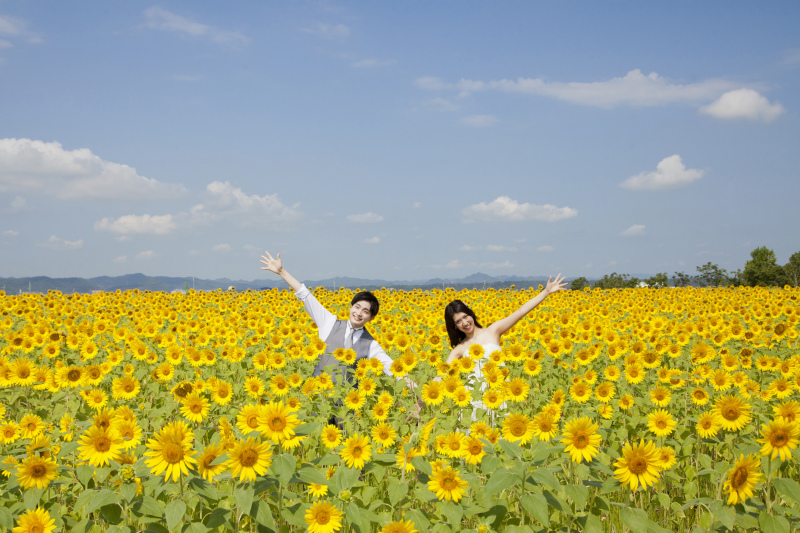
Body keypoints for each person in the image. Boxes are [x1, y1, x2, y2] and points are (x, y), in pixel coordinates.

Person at [260, 251, 394, 384]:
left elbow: (392, 369)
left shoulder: (370, 344)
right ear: (351, 307)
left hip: (348, 402)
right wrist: (281, 271)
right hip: (318, 399)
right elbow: (305, 296)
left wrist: (415, 392)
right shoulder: (329, 323)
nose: (359, 313)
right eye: (357, 307)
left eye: (365, 311)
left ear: (371, 317)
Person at [445, 274, 567, 417]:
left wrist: (546, 292)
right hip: (475, 401)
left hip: (499, 395)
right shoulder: (459, 349)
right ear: (455, 326)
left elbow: (520, 312)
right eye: (458, 321)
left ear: (471, 314)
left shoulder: (493, 331)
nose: (464, 323)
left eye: (465, 317)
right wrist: (420, 395)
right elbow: (442, 375)